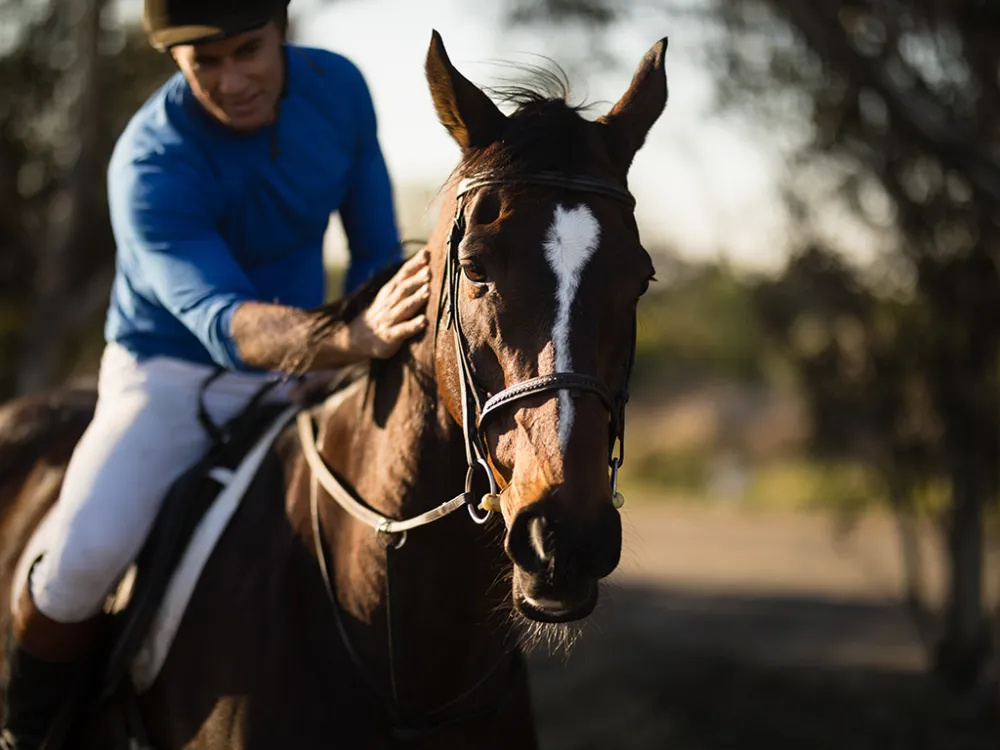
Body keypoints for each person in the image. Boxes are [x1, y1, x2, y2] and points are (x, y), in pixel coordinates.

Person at [0, 0, 430, 747]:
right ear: (176, 62)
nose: (233, 80)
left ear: (282, 31)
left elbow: (373, 255)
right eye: (207, 63)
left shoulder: (341, 90)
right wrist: (352, 333)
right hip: (168, 373)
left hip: (314, 361)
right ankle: (27, 735)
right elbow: (220, 319)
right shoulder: (149, 159)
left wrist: (382, 323)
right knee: (79, 563)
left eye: (247, 51)